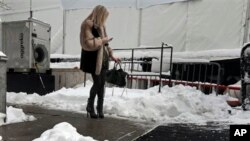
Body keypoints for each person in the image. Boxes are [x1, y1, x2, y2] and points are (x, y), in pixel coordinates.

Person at [80, 5, 120, 119]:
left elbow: (106, 44)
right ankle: (90, 106)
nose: (105, 19)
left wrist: (112, 55)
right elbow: (87, 43)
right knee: (97, 83)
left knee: (102, 84)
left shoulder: (102, 26)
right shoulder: (87, 24)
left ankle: (99, 108)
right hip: (93, 58)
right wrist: (103, 40)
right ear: (99, 14)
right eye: (104, 16)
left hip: (103, 58)